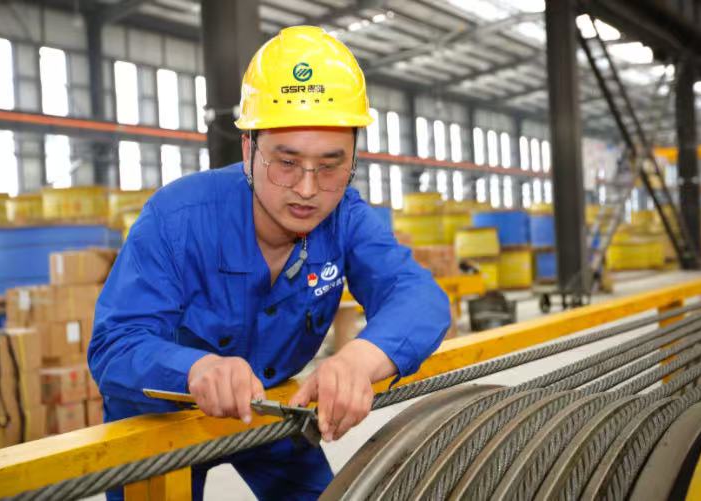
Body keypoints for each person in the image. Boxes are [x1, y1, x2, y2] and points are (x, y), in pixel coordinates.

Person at [89, 25, 452, 501]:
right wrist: (195, 369)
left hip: (271, 405)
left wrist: (359, 360)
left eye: (330, 166)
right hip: (159, 418)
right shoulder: (176, 218)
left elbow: (418, 297)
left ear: (353, 162)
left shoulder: (345, 217)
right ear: (249, 150)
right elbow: (115, 345)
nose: (307, 189)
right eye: (286, 162)